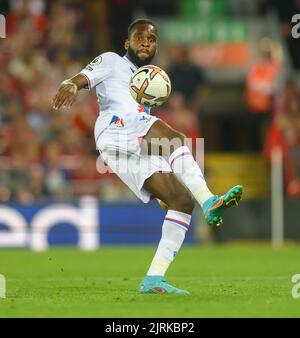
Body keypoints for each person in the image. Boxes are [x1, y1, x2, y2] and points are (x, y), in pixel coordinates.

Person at [52, 18, 243, 295]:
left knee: (180, 200)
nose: (145, 41)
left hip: (129, 143)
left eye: (151, 39)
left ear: (156, 46)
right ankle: (211, 201)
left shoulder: (148, 77)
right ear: (126, 43)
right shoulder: (112, 61)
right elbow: (83, 77)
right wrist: (70, 83)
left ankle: (153, 279)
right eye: (139, 37)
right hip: (115, 128)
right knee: (174, 138)